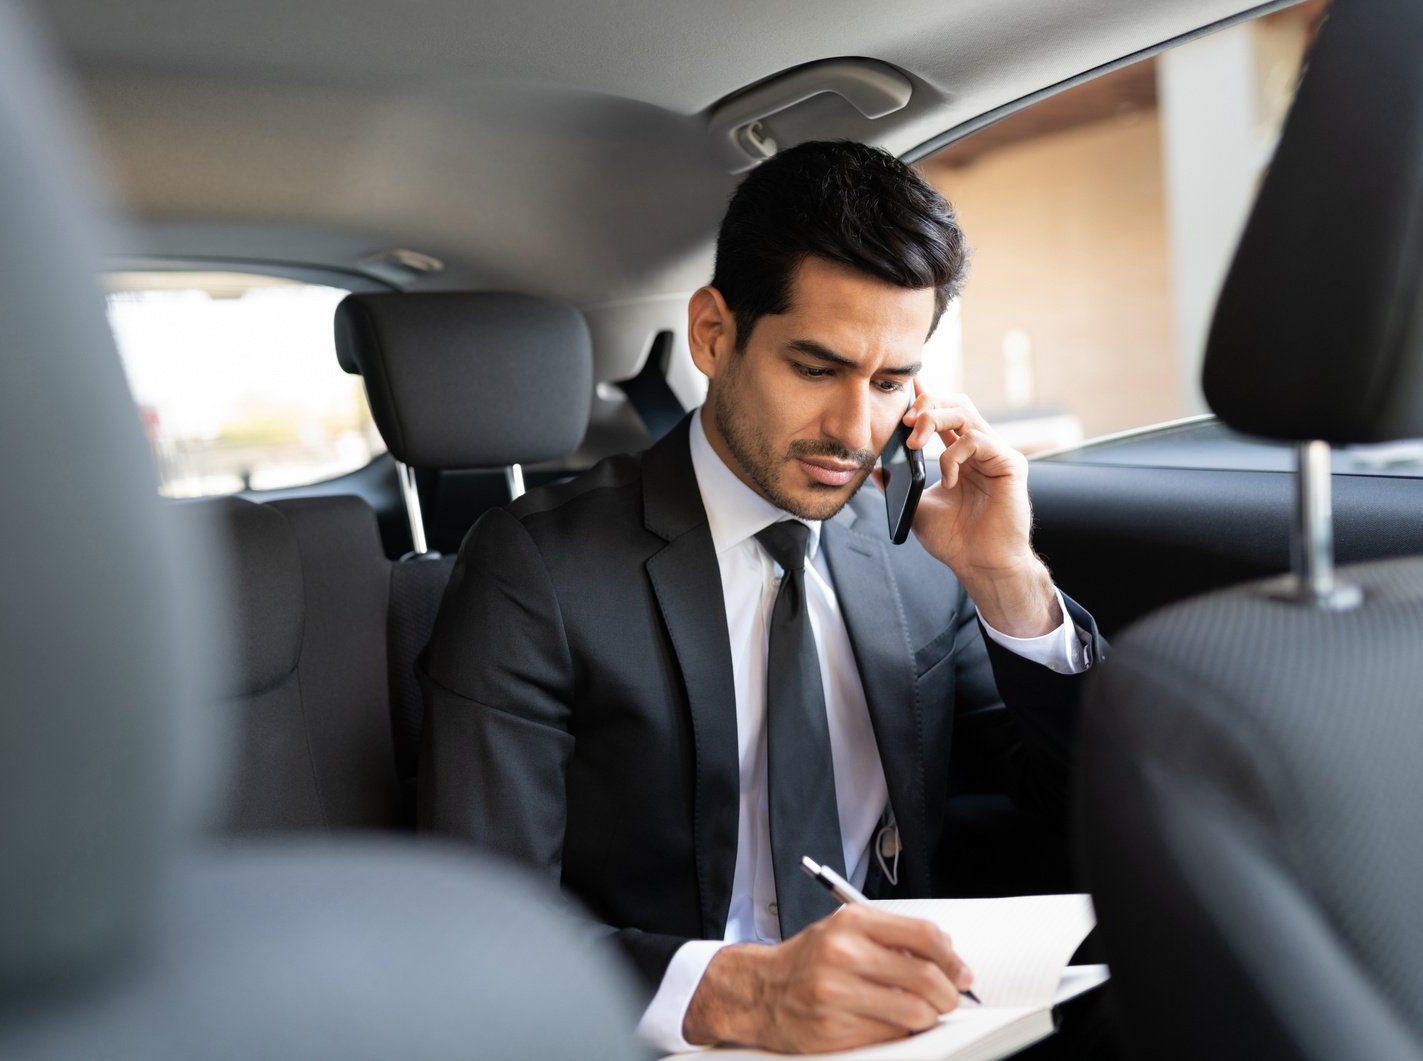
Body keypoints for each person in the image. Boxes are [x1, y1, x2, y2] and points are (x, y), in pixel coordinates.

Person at [418, 139, 1103, 1054]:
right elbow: (482, 919)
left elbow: (1086, 808)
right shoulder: (535, 568)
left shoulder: (915, 547)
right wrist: (747, 996)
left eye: (890, 381)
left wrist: (1006, 581)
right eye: (815, 369)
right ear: (713, 334)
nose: (855, 431)